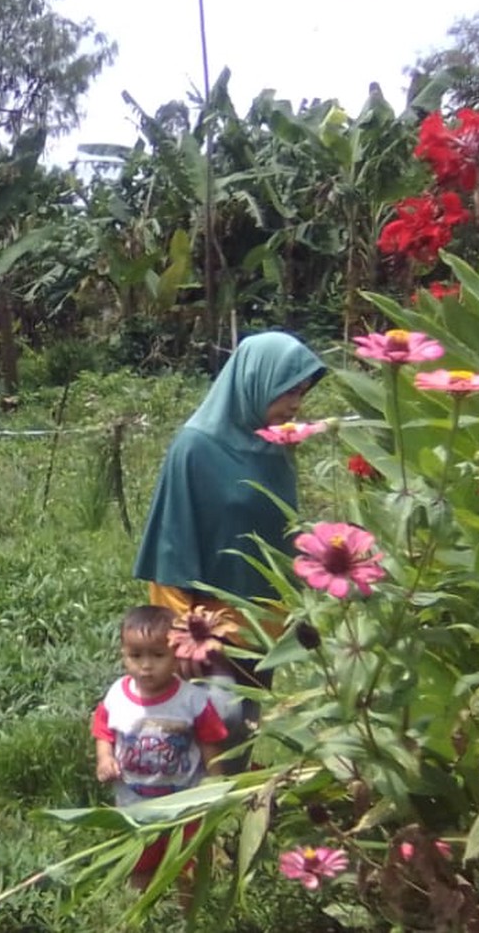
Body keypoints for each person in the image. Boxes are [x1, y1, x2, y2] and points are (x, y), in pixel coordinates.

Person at [133, 330, 325, 684]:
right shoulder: (195, 449)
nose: (296, 404)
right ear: (255, 381)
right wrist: (181, 636)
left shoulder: (275, 448)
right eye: (288, 391)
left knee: (246, 728)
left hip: (264, 629)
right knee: (217, 724)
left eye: (301, 392)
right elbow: (171, 547)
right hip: (210, 633)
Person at [93, 605, 229, 883]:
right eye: (135, 656)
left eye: (157, 655)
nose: (145, 665)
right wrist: (104, 758)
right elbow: (103, 729)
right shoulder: (117, 695)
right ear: (123, 655)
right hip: (134, 805)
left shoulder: (192, 701)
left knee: (187, 865)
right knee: (139, 863)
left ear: (176, 655)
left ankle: (189, 913)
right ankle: (143, 915)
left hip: (185, 804)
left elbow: (210, 742)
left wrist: (218, 784)